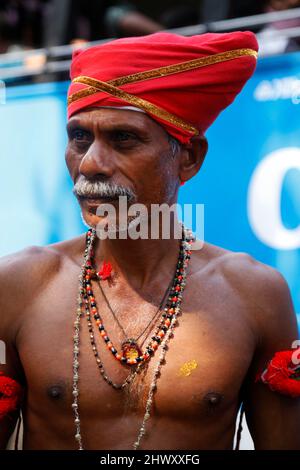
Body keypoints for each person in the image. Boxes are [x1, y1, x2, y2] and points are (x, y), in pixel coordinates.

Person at [1, 31, 300, 451]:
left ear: (190, 158)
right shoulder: (19, 285)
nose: (91, 164)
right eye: (79, 137)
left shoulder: (255, 294)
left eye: (123, 138)